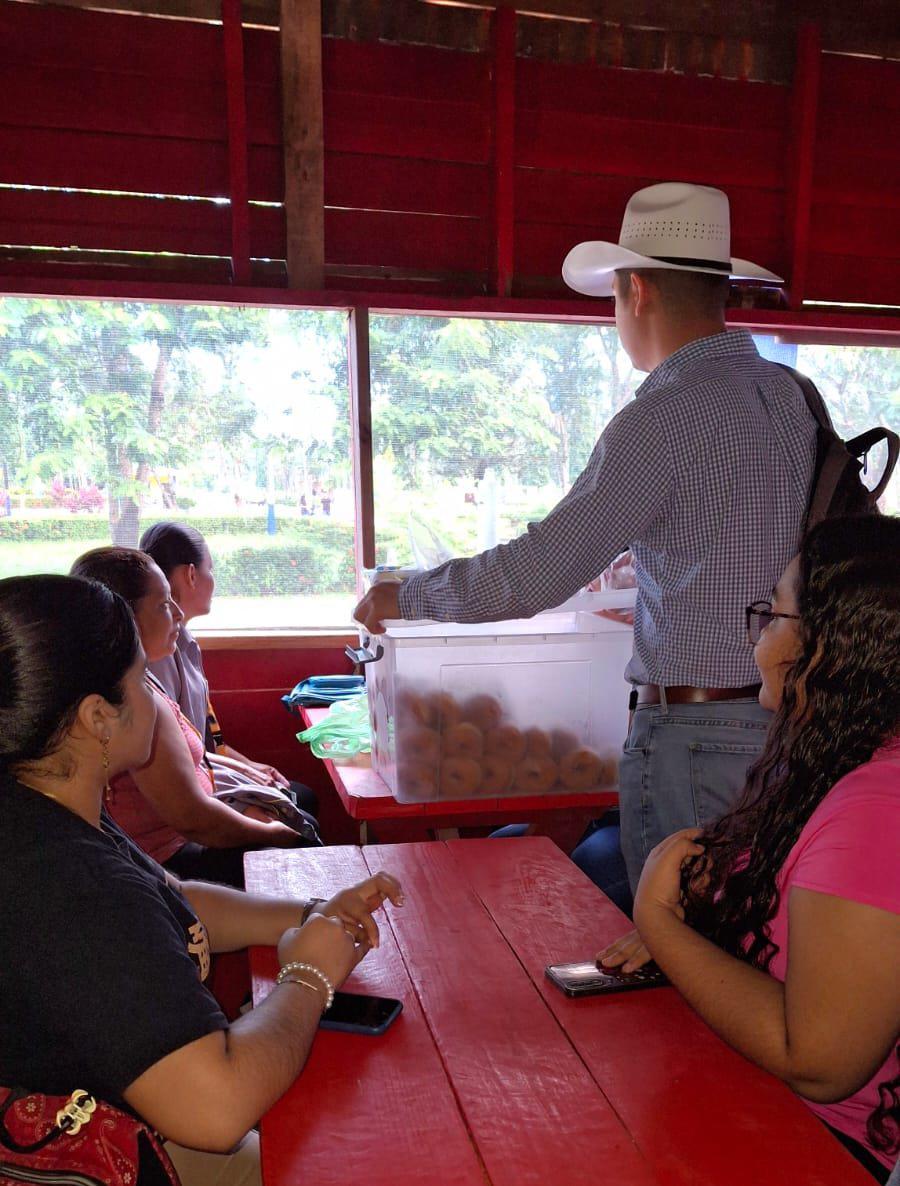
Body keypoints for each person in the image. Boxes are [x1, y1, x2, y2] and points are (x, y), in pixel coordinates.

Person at [353, 181, 817, 891]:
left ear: (635, 292)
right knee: (753, 940)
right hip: (788, 725)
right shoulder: (790, 399)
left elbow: (538, 572)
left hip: (695, 740)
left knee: (678, 947)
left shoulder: (662, 417)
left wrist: (404, 596)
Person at [0, 573, 403, 1186]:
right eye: (140, 681)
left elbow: (169, 899)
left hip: (113, 1116)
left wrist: (304, 915)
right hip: (99, 1150)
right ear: (96, 719)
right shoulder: (68, 886)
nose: (154, 696)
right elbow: (216, 1111)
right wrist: (310, 975)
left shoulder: (42, 802)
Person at [599, 515, 900, 1183]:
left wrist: (661, 924)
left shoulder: (878, 809)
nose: (759, 637)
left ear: (832, 646)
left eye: (773, 615)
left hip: (825, 1147)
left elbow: (819, 1062)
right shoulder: (840, 760)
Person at [70, 547, 313, 887]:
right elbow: (193, 819)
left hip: (176, 837)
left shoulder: (138, 677)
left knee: (297, 803)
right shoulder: (135, 702)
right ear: (125, 618)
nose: (177, 614)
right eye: (163, 604)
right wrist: (274, 833)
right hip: (165, 856)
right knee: (300, 836)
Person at [138, 521, 319, 823]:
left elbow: (203, 742)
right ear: (191, 575)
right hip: (190, 796)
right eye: (211, 568)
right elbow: (180, 765)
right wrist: (241, 796)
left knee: (301, 797)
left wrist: (247, 766)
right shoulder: (159, 656)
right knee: (300, 811)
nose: (213, 579)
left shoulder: (183, 641)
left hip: (206, 773)